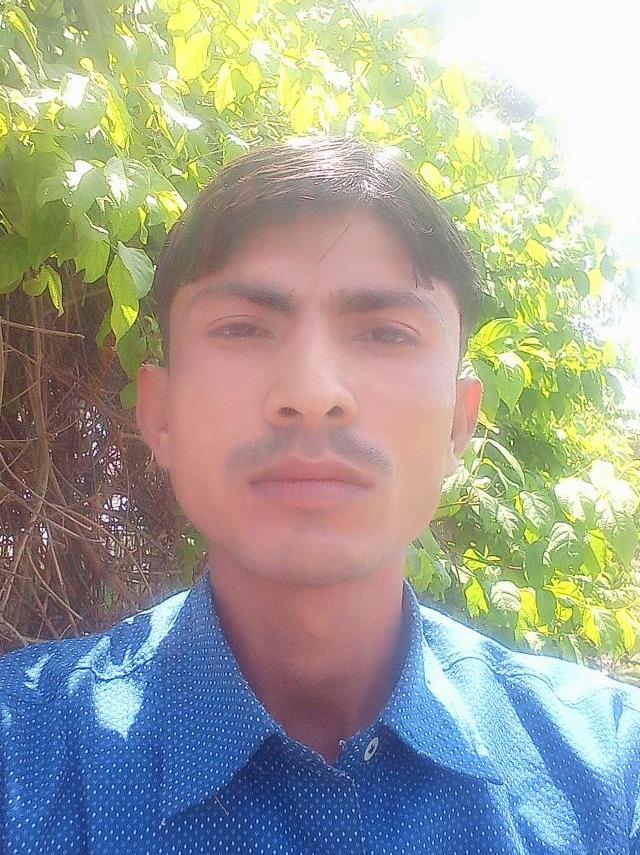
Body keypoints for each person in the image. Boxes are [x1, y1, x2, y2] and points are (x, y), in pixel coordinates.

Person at [1, 136, 638, 855]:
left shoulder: (614, 774)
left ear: (459, 424)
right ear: (161, 414)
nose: (311, 392)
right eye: (242, 328)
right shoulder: (21, 761)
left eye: (386, 334)